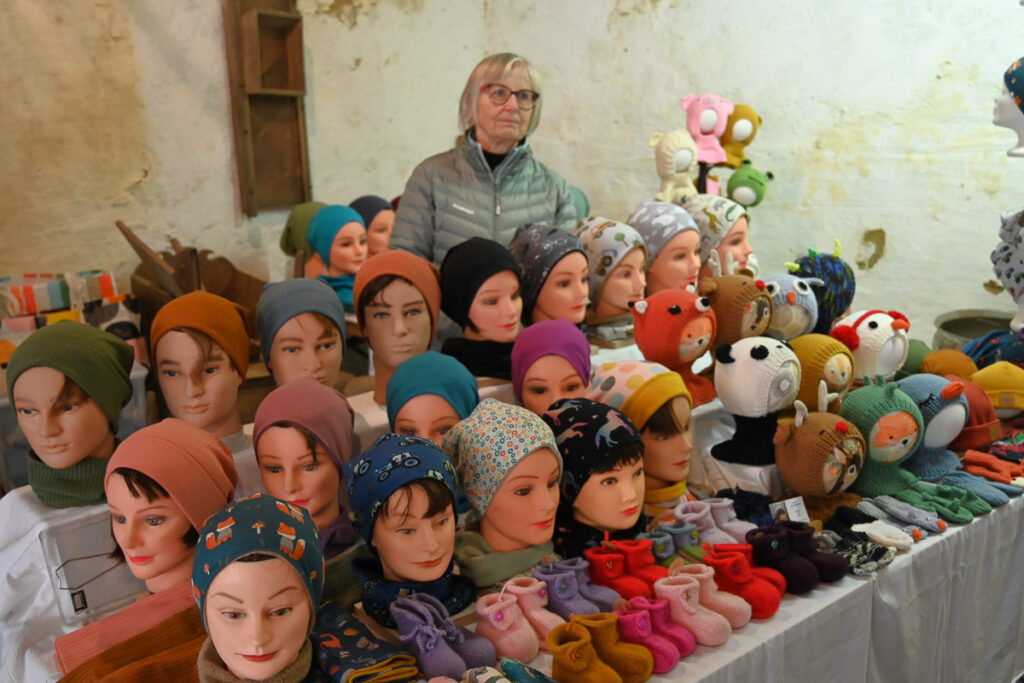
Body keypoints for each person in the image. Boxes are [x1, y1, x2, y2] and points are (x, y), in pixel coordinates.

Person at [390, 52, 578, 267]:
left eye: (524, 96)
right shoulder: (431, 177)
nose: (513, 105)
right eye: (499, 92)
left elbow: (566, 272)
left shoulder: (554, 189)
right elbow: (404, 265)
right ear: (471, 102)